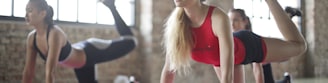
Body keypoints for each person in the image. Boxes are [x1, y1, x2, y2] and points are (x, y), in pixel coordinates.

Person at [160, 0, 306, 83]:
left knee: (299, 47)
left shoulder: (217, 17)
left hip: (246, 46)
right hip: (222, 60)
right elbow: (168, 71)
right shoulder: (176, 26)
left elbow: (227, 74)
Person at [22, 0, 137, 83]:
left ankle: (111, 6)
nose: (26, 15)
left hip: (91, 51)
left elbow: (50, 72)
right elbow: (28, 72)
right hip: (79, 63)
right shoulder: (32, 38)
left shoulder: (54, 33)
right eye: (26, 10)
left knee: (131, 42)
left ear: (43, 13)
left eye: (30, 11)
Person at [228, 8, 301, 83]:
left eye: (235, 20)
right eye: (229, 20)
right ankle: (286, 80)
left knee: (293, 49)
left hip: (265, 64)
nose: (232, 24)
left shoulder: (249, 39)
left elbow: (257, 70)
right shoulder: (235, 40)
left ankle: (288, 16)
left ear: (245, 21)